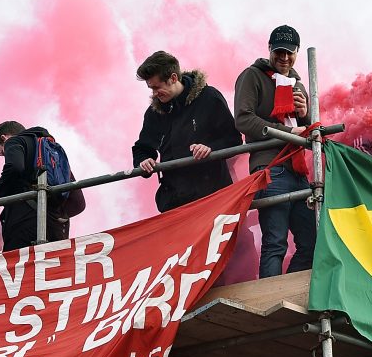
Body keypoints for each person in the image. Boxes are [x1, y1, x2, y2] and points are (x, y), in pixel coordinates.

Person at [234, 24, 315, 277]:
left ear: (297, 52)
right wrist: (285, 132)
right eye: (279, 52)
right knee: (275, 242)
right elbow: (243, 120)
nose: (284, 58)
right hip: (270, 169)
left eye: (289, 52)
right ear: (269, 49)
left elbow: (307, 129)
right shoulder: (252, 76)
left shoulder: (299, 85)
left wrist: (305, 114)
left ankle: (288, 293)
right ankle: (271, 306)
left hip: (298, 170)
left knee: (312, 242)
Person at [132, 51, 242, 212]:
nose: (154, 94)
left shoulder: (209, 98)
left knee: (238, 237)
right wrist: (144, 161)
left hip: (214, 196)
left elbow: (234, 139)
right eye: (151, 88)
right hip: (175, 202)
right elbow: (142, 148)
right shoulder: (154, 113)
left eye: (157, 87)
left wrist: (210, 148)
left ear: (173, 78)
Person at [0, 121, 86, 250]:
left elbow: (15, 167)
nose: (5, 155)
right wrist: (53, 215)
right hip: (57, 231)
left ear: (4, 138)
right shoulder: (53, 151)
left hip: (23, 227)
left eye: (1, 152)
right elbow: (78, 203)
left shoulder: (14, 142)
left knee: (19, 268)